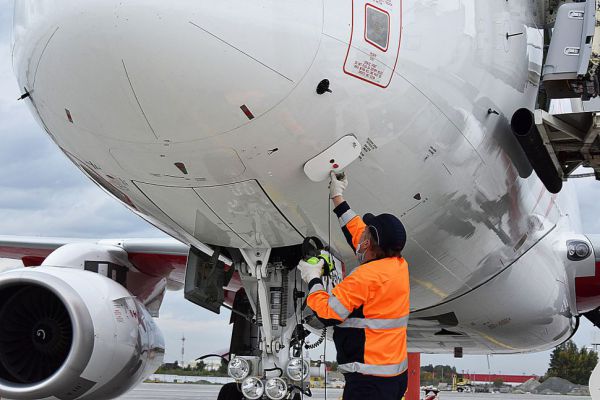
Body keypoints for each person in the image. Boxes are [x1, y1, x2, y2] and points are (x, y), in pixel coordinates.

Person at [298, 171, 410, 400]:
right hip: (394, 376)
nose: (362, 233)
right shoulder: (398, 265)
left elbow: (329, 313)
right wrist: (337, 197)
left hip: (368, 383)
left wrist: (313, 279)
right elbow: (357, 231)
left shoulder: (366, 276)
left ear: (368, 243)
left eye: (366, 233)